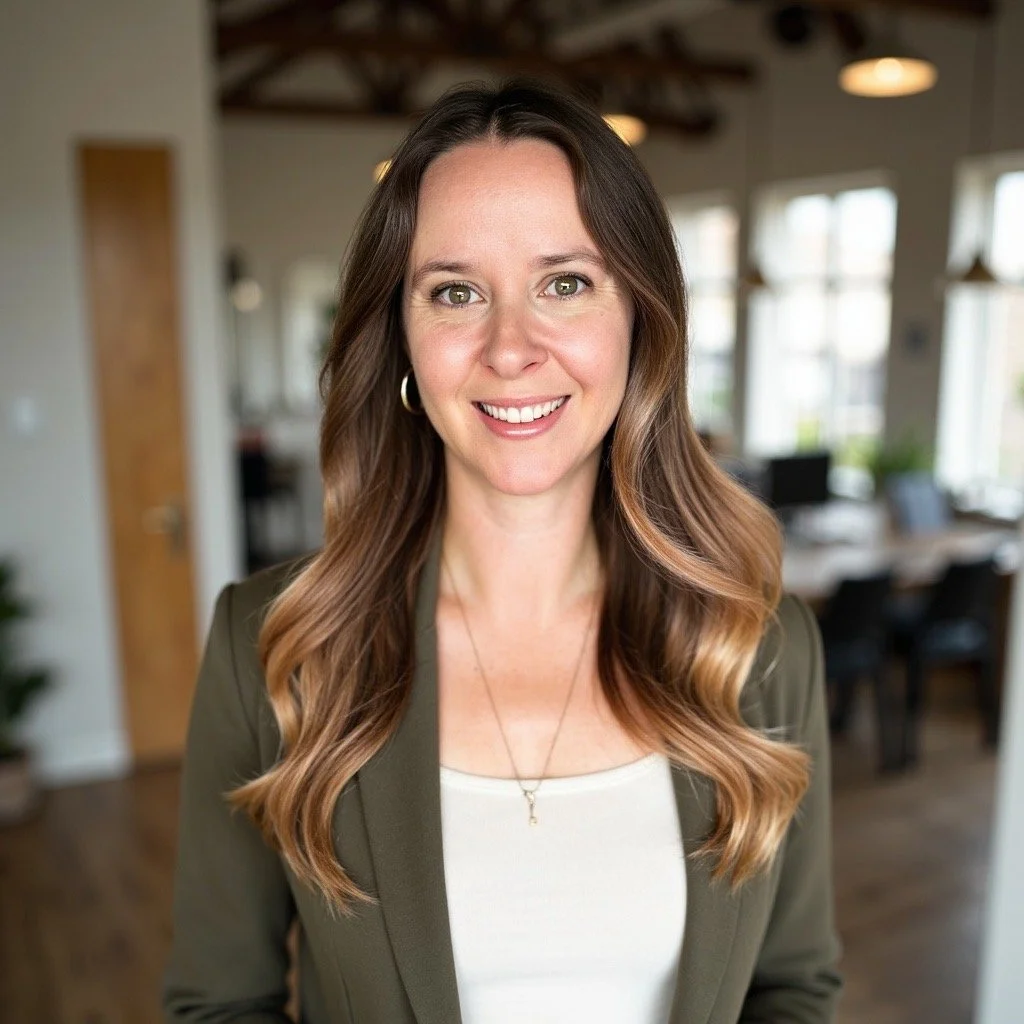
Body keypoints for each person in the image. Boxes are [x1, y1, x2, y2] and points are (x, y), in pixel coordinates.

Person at [162, 80, 841, 1024]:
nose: (511, 347)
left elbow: (793, 988)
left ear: (640, 319)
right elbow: (220, 1005)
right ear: (400, 337)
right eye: (455, 292)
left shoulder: (759, 648)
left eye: (565, 283)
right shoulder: (273, 648)